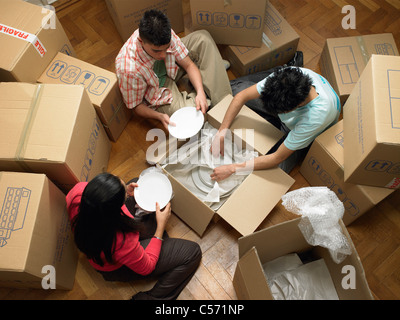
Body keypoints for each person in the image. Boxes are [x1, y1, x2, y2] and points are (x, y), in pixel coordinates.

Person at [66, 172, 202, 300]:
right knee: (193, 252)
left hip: (104, 242)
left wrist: (125, 189)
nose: (126, 192)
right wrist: (160, 226)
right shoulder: (122, 240)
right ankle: (151, 298)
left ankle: (158, 242)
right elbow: (147, 267)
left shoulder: (77, 193)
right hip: (116, 266)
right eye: (123, 197)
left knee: (137, 184)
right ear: (114, 212)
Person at [210, 65, 341, 180]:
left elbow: (277, 158)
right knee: (234, 89)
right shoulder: (285, 76)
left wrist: (233, 168)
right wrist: (221, 132)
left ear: (297, 106)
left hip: (302, 128)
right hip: (290, 106)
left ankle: (276, 123)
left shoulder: (316, 117)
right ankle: (274, 121)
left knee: (277, 170)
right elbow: (242, 96)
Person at [115, 9, 232, 131]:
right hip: (155, 90)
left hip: (172, 66)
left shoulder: (163, 33)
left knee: (203, 38)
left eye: (167, 48)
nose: (163, 55)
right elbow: (136, 106)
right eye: (156, 51)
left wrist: (201, 91)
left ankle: (224, 103)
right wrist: (159, 116)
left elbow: (188, 65)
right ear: (141, 41)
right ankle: (212, 75)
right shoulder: (128, 69)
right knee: (187, 117)